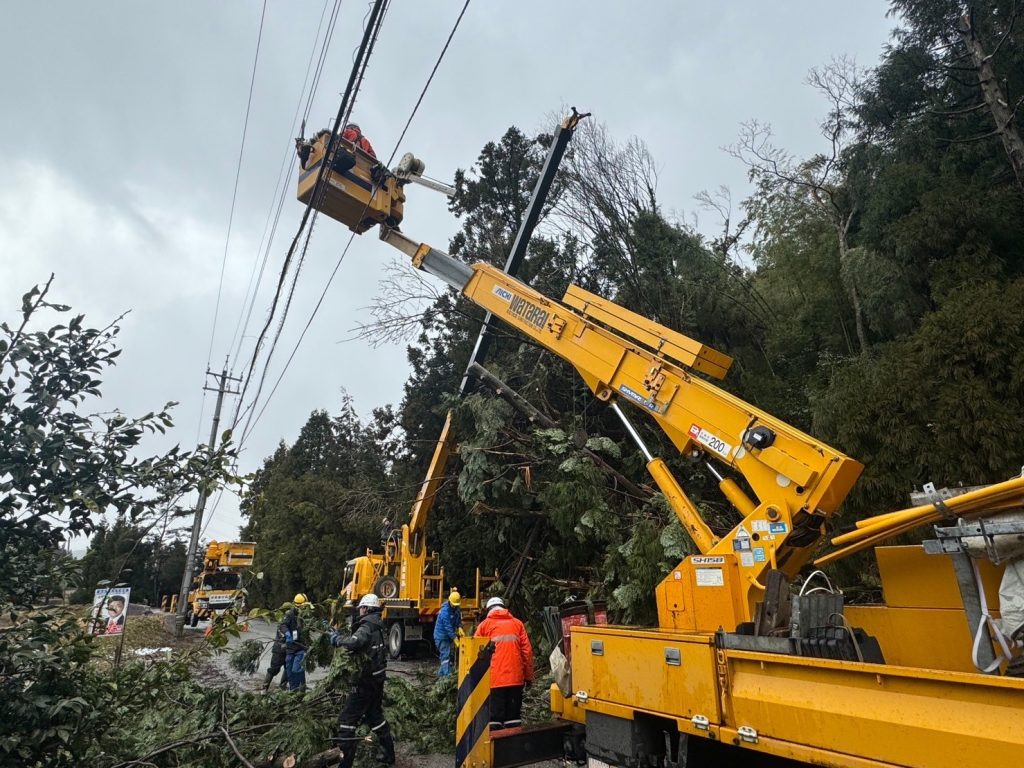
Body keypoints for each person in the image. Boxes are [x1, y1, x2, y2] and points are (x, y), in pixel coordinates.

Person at [329, 593, 395, 767]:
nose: (359, 611)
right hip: (377, 680)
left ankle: (345, 763)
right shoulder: (378, 625)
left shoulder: (367, 625)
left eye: (361, 608)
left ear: (367, 608)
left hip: (364, 682)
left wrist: (336, 640)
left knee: (347, 721)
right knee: (375, 716)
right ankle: (389, 753)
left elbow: (354, 642)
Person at [474, 596, 533, 731]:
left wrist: (476, 680)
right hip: (515, 679)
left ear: (489, 609)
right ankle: (514, 747)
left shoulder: (484, 626)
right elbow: (527, 652)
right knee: (513, 719)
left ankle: (496, 749)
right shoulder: (517, 624)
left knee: (494, 722)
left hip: (494, 680)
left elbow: (476, 653)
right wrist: (528, 676)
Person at [283, 593, 309, 692]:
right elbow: (283, 625)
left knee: (296, 669)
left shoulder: (306, 614)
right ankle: (293, 691)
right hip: (290, 647)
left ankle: (301, 689)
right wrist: (287, 633)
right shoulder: (290, 614)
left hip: (300, 648)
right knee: (289, 671)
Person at [433, 589, 462, 676]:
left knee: (448, 657)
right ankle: (447, 676)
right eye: (454, 605)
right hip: (441, 637)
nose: (455, 606)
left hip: (448, 637)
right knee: (446, 656)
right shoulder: (445, 611)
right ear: (449, 601)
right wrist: (455, 638)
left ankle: (441, 678)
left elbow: (458, 620)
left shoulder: (456, 608)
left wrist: (460, 627)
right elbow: (448, 627)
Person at [262, 619, 290, 692]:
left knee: (288, 668)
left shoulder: (295, 625)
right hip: (279, 650)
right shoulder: (282, 626)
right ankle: (265, 687)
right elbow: (282, 637)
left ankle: (282, 687)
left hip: (289, 651)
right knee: (274, 669)